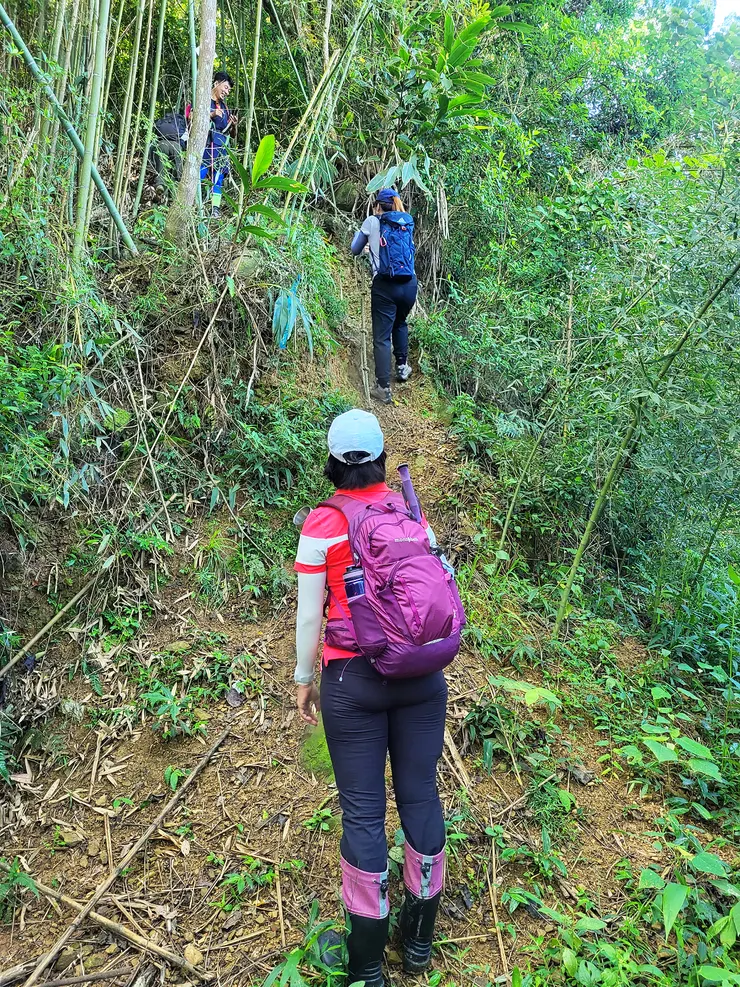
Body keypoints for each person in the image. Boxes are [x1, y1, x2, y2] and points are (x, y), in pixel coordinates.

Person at [293, 409, 451, 986]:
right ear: (383, 457)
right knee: (421, 796)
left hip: (353, 681)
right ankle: (418, 940)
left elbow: (310, 615)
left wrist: (303, 678)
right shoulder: (407, 510)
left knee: (363, 812)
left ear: (332, 463)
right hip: (420, 677)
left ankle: (365, 964)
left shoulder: (323, 522)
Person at [350, 189, 418, 405]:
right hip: (409, 284)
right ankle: (402, 367)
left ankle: (383, 388)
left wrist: (365, 244)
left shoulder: (372, 221)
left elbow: (354, 248)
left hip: (385, 285)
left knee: (381, 337)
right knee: (400, 322)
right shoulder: (406, 222)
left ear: (378, 205)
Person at [200, 71, 237, 218]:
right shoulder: (203, 100)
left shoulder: (225, 107)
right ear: (216, 83)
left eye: (229, 90)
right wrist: (213, 114)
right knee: (200, 174)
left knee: (218, 177)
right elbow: (194, 119)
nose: (227, 92)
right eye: (226, 88)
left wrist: (234, 125)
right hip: (205, 145)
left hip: (221, 147)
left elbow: (232, 135)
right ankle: (196, 204)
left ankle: (215, 208)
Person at [150, 111, 188, 188]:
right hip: (176, 146)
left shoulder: (164, 121)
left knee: (161, 165)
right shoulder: (183, 125)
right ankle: (175, 187)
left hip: (162, 144)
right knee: (177, 171)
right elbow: (184, 142)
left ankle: (160, 184)